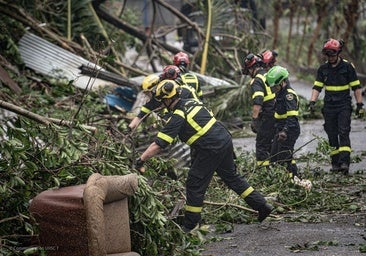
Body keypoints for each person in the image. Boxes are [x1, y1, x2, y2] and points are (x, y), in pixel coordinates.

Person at [134, 79, 273, 232]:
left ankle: (191, 225)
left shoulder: (179, 115)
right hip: (224, 139)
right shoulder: (193, 103)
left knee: (194, 183)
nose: (161, 104)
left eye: (161, 100)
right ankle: (262, 205)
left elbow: (159, 144)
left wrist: (141, 160)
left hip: (211, 148)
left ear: (168, 99)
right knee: (231, 177)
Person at [308, 38, 364, 174]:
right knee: (332, 135)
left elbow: (356, 87)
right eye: (328, 55)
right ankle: (335, 163)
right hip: (329, 107)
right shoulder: (323, 69)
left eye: (332, 55)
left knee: (343, 132)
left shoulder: (347, 67)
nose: (330, 57)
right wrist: (312, 102)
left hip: (344, 105)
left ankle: (345, 162)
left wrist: (359, 104)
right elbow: (317, 87)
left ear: (338, 53)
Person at [242, 53, 276, 169]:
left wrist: (254, 119)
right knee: (272, 143)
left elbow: (258, 100)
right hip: (276, 113)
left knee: (261, 145)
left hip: (267, 115)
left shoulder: (257, 80)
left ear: (251, 68)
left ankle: (264, 171)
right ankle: (275, 168)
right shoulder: (269, 74)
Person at [265, 67, 301, 178]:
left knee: (284, 157)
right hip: (281, 129)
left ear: (283, 82)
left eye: (275, 86)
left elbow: (292, 117)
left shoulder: (288, 95)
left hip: (289, 130)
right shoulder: (279, 93)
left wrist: (285, 131)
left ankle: (293, 179)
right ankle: (290, 177)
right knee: (274, 156)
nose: (273, 89)